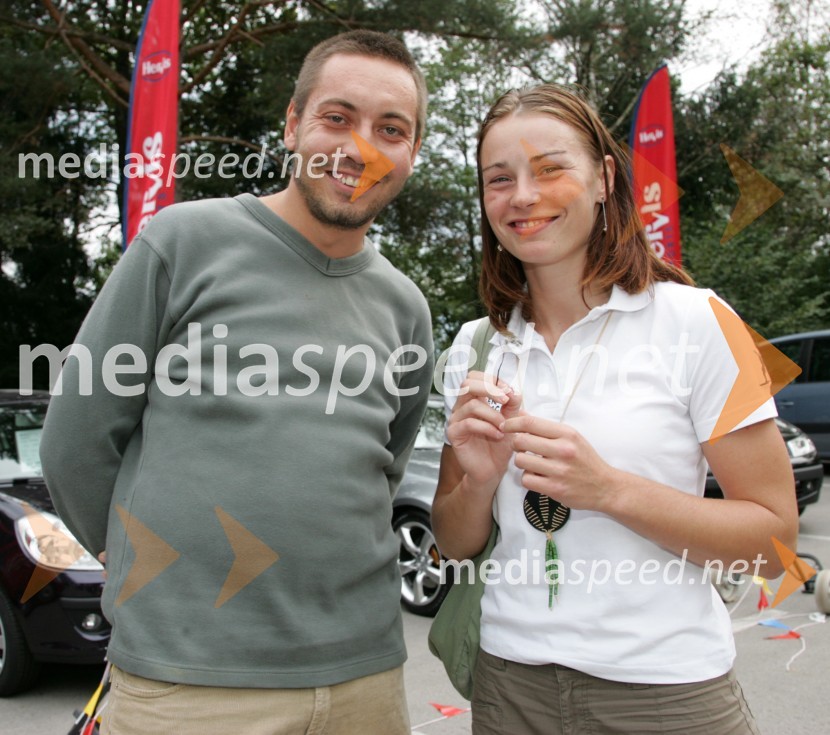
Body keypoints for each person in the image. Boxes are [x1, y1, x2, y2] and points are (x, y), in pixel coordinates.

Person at [40, 30, 433, 735]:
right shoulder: (182, 243)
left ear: (412, 151)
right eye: (336, 118)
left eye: (391, 129)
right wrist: (144, 564)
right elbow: (76, 440)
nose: (360, 147)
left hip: (366, 681)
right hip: (188, 683)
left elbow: (383, 470)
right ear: (292, 124)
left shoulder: (406, 307)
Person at [431, 83, 797, 735]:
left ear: (603, 178)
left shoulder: (699, 320)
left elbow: (774, 545)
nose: (522, 196)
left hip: (668, 694)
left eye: (550, 168)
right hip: (509, 688)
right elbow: (453, 545)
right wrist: (480, 481)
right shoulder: (475, 344)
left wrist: (609, 489)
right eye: (499, 178)